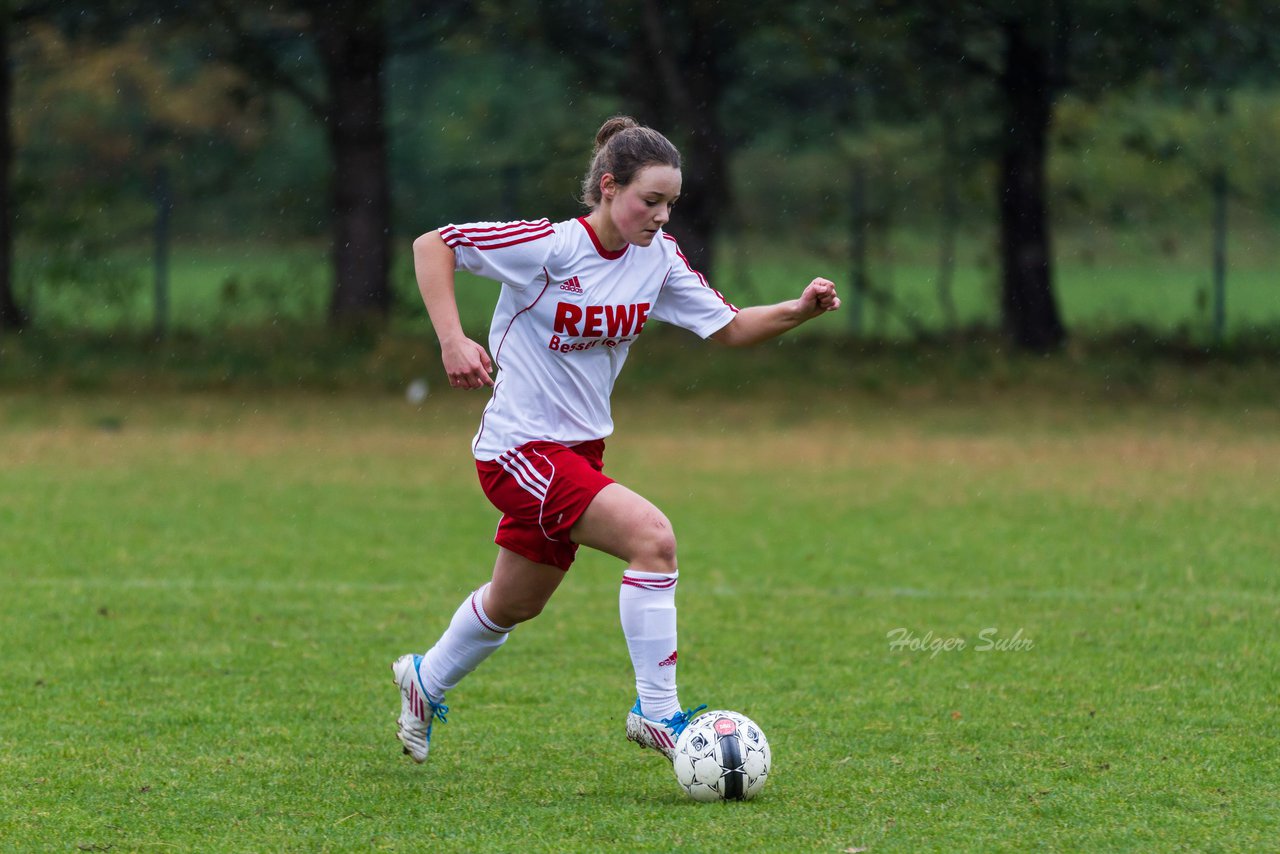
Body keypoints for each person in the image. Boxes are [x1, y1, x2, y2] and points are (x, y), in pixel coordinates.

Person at [394, 116, 840, 766]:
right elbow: (434, 243)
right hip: (518, 450)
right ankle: (657, 713)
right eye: (649, 200)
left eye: (670, 204)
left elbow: (730, 326)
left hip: (579, 453)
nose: (660, 216)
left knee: (516, 601)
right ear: (609, 188)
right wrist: (452, 339)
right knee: (652, 538)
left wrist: (797, 310)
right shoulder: (549, 247)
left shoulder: (657, 260)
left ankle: (422, 682)